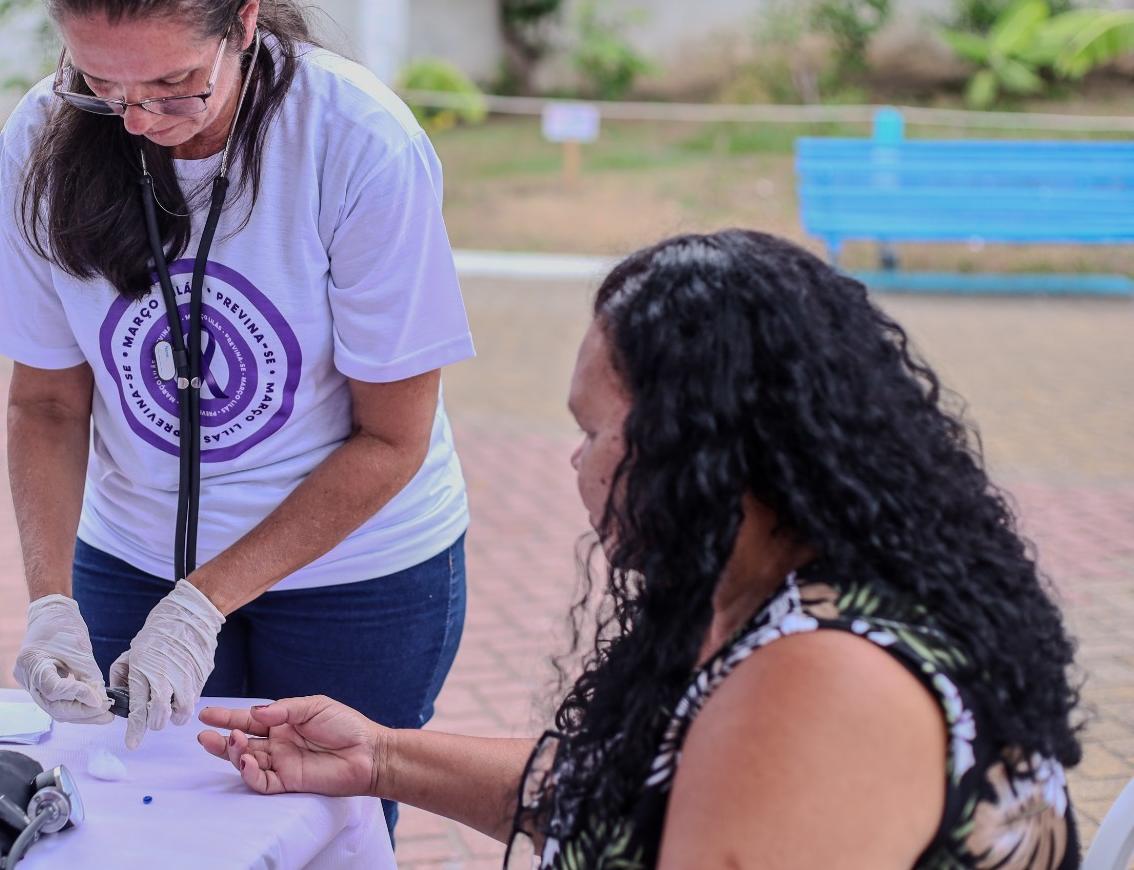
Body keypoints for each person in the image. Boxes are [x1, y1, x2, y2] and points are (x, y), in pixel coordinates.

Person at [199, 229, 1083, 870]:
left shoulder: (826, 683)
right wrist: (382, 759)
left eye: (593, 433)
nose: (576, 461)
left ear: (703, 450)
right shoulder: (774, 596)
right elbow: (632, 795)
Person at [0, 0, 474, 829]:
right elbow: (47, 401)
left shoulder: (355, 139)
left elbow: (392, 437)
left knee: (325, 829)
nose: (140, 119)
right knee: (139, 828)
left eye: (178, 85)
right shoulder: (41, 135)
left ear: (244, 18)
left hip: (354, 575)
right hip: (131, 551)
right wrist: (47, 599)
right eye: (103, 84)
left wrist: (202, 604)